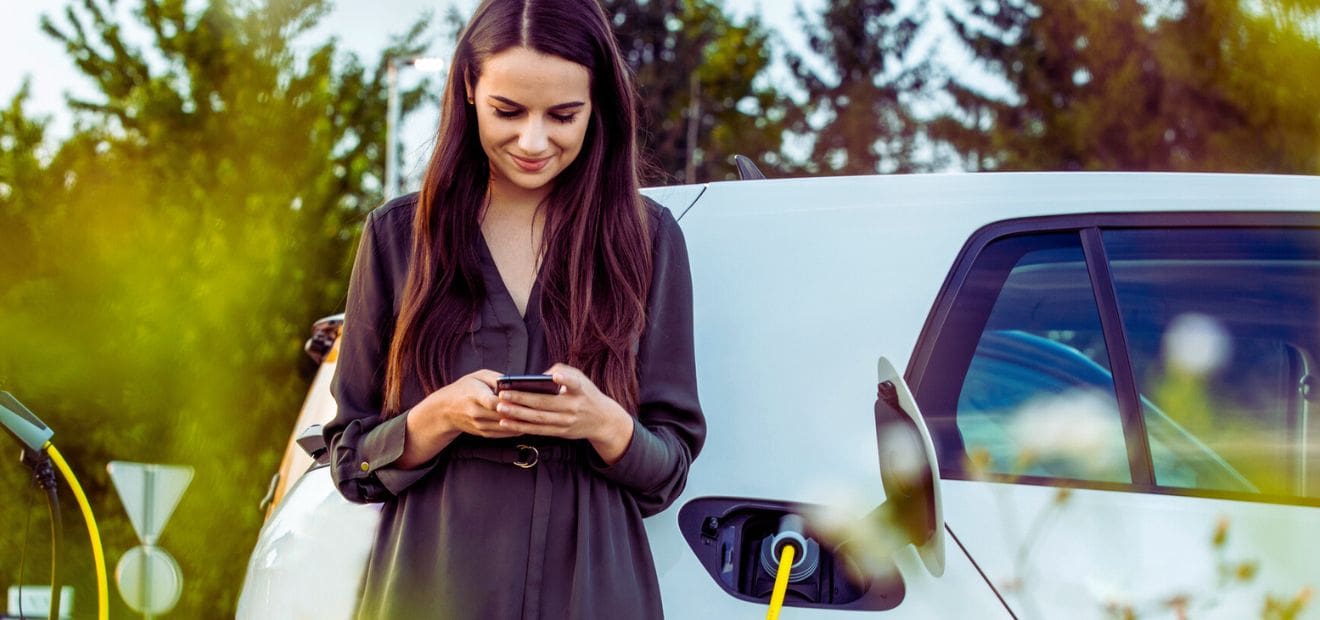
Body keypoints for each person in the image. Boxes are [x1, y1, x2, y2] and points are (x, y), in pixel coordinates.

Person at [322, 0, 705, 618]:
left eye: (562, 115)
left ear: (597, 104)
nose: (533, 140)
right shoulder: (398, 236)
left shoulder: (649, 239)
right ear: (469, 88)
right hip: (433, 578)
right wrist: (440, 414)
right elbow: (351, 461)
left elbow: (669, 469)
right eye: (508, 111)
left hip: (593, 589)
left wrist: (601, 420)